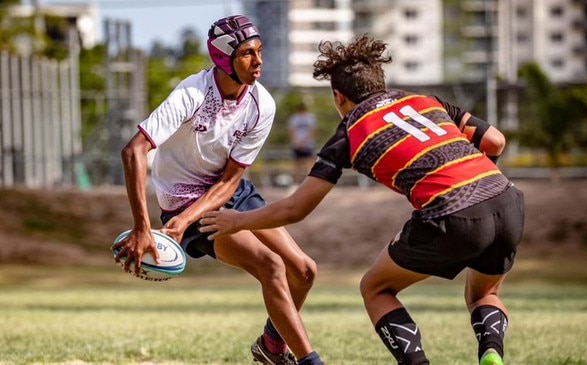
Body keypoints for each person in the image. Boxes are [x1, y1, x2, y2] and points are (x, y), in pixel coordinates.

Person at [199, 34, 525, 365]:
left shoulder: (349, 133)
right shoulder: (427, 101)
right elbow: (495, 141)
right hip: (506, 199)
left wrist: (239, 221)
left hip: (451, 211)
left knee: (376, 288)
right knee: (485, 294)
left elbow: (296, 208)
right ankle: (491, 353)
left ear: (338, 97)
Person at [111, 15, 324, 365]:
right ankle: (310, 362)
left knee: (304, 270)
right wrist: (144, 226)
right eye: (246, 53)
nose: (258, 61)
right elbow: (133, 150)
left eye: (259, 51)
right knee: (271, 265)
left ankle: (271, 346)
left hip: (229, 192)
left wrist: (185, 223)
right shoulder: (191, 93)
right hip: (182, 199)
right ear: (223, 58)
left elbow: (229, 181)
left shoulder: (262, 105)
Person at [288, 101, 317, 185]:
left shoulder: (310, 117)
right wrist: (296, 141)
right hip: (297, 144)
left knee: (308, 163)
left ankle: (310, 183)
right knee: (297, 165)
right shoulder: (295, 118)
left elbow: (312, 131)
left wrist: (304, 141)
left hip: (307, 144)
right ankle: (296, 182)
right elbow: (291, 131)